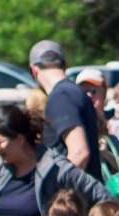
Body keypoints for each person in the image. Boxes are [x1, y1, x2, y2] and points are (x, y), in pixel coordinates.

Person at [28, 41, 100, 180]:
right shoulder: (75, 92)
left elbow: (79, 153)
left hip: (76, 199)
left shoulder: (61, 96)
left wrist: (57, 190)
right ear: (65, 64)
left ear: (33, 70)